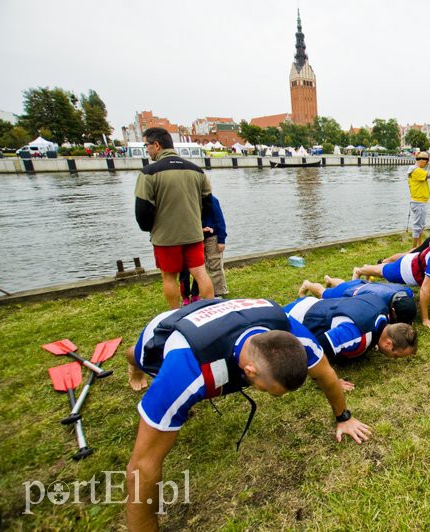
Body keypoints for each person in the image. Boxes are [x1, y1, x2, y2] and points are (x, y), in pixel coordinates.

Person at [124, 298, 370, 531]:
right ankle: (133, 365)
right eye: (270, 392)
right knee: (139, 357)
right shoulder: (185, 370)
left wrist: (344, 417)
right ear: (250, 372)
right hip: (171, 329)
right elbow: (142, 465)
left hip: (228, 315)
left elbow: (326, 374)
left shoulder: (294, 337)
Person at [135, 127, 215, 309]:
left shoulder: (149, 173)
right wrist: (196, 221)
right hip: (193, 232)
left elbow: (142, 210)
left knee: (169, 276)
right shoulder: (197, 171)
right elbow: (207, 202)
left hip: (166, 236)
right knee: (201, 273)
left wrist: (151, 228)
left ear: (156, 145)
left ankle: (174, 313)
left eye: (146, 145)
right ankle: (212, 310)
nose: (146, 149)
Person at [352, 239, 430, 330]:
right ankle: (360, 270)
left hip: (421, 261)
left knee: (384, 269)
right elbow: (425, 290)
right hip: (408, 269)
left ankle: (367, 268)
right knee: (383, 271)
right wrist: (425, 320)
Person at [284, 293, 418, 360]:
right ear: (388, 344)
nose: (393, 358)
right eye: (395, 356)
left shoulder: (383, 310)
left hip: (314, 302)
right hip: (293, 317)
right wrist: (331, 379)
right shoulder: (355, 333)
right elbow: (318, 348)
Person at [297, 277, 417, 324]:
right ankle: (307, 284)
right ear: (392, 309)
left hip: (363, 285)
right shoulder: (379, 304)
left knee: (345, 284)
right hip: (351, 292)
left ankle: (329, 279)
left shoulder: (407, 292)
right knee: (323, 293)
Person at [407, 152, 430, 247]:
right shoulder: (416, 171)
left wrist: (429, 161)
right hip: (419, 202)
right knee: (417, 226)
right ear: (422, 160)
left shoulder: (417, 171)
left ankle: (419, 246)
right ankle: (414, 248)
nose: (427, 164)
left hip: (420, 201)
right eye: (426, 162)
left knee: (421, 226)